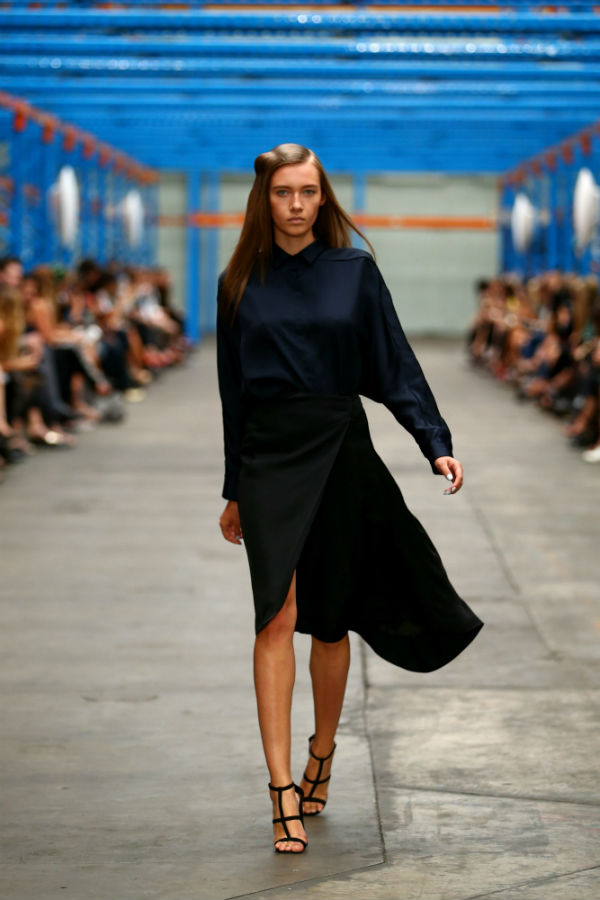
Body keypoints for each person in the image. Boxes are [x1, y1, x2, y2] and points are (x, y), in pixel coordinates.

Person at [216, 143, 483, 855]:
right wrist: (234, 488)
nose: (297, 204)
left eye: (308, 192)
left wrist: (434, 440)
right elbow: (231, 394)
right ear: (264, 200)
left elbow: (394, 362)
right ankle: (281, 789)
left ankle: (321, 752)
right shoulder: (238, 282)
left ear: (323, 198)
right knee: (275, 615)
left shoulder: (354, 271)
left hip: (339, 448)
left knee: (329, 622)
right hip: (269, 459)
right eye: (284, 193)